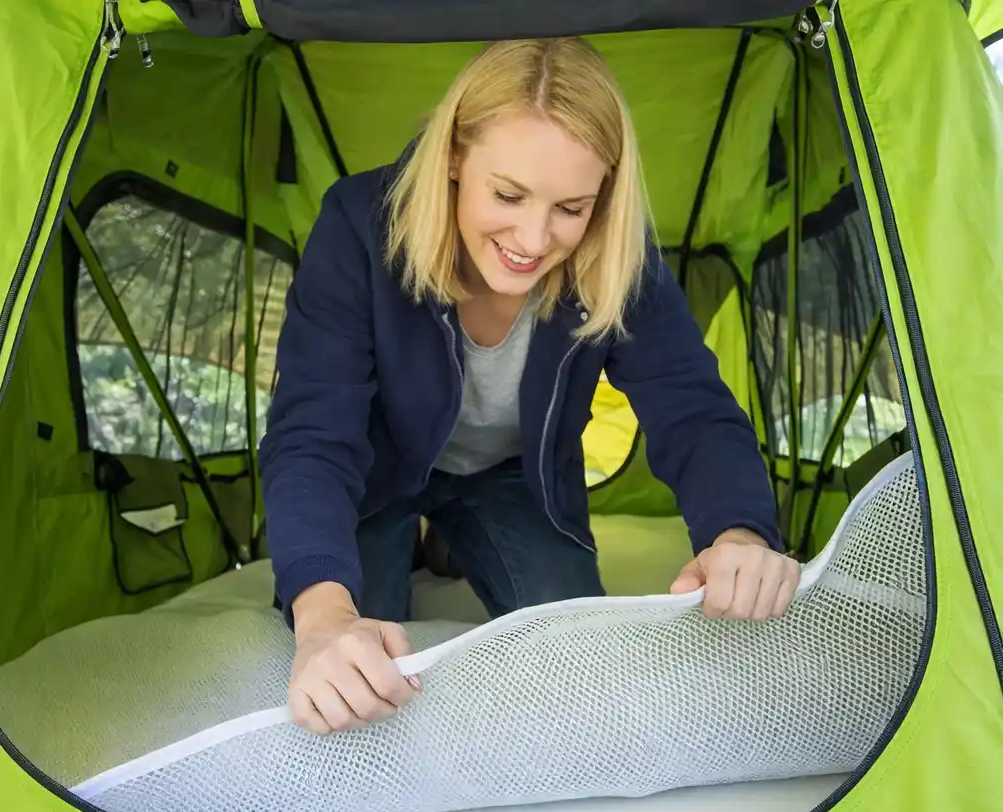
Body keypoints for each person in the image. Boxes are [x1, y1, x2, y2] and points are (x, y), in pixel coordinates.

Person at [259, 37, 801, 738]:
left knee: (576, 655)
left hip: (515, 476)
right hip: (375, 470)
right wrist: (324, 617)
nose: (533, 237)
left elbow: (692, 406)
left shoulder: (618, 254)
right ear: (453, 158)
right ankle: (418, 534)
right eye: (508, 195)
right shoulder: (359, 226)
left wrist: (739, 533)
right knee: (360, 662)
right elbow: (311, 431)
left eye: (571, 208)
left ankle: (455, 536)